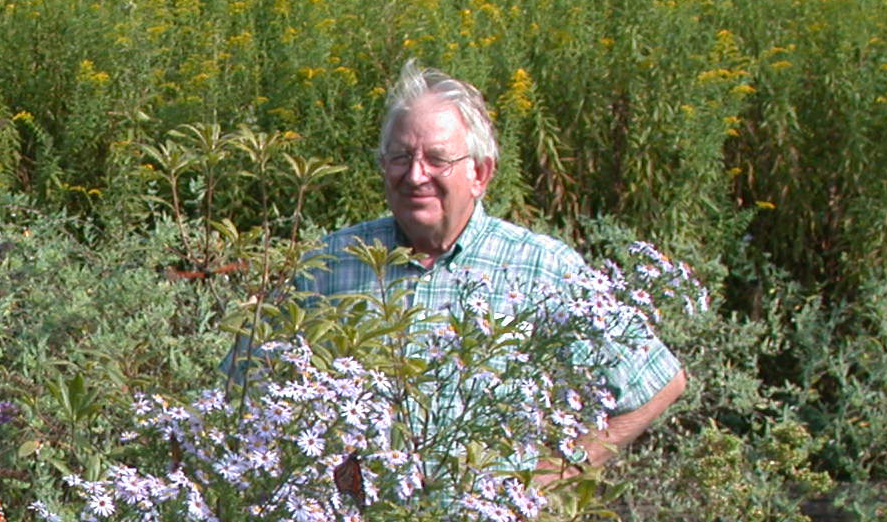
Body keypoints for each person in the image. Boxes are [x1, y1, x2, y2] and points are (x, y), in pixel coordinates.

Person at [289, 61, 685, 482]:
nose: (415, 175)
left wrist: (549, 479)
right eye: (400, 157)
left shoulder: (543, 269)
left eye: (437, 159)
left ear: (480, 173)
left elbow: (659, 382)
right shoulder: (329, 264)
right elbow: (247, 384)